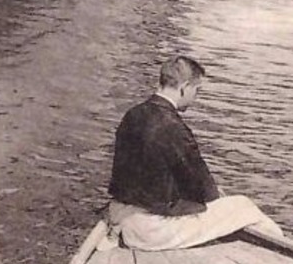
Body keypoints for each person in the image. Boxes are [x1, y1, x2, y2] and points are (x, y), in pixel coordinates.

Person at [104, 55, 282, 250]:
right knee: (244, 207)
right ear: (184, 87)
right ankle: (287, 255)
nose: (195, 98)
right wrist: (217, 196)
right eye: (196, 91)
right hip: (151, 232)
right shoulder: (174, 127)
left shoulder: (132, 115)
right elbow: (202, 188)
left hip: (121, 216)